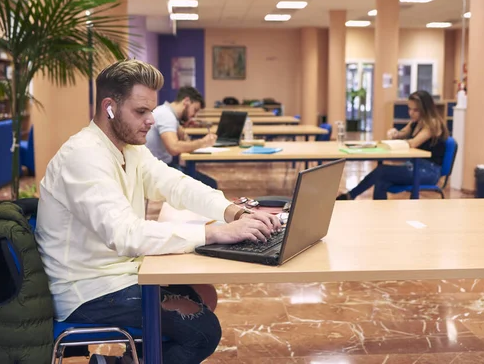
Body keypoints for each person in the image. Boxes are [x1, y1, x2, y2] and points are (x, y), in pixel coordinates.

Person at [35, 59, 281, 364]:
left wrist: (231, 212)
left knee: (204, 294)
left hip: (119, 274)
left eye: (151, 110)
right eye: (141, 111)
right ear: (109, 107)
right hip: (87, 290)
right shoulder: (83, 157)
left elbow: (175, 184)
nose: (151, 120)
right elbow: (125, 234)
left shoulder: (129, 149)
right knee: (203, 332)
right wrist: (214, 232)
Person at [337, 90, 448, 200]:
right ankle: (379, 212)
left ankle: (350, 195)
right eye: (410, 109)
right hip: (414, 166)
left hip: (428, 172)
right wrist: (395, 133)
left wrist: (398, 140)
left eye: (416, 110)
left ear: (426, 110)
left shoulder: (433, 123)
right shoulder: (416, 122)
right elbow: (402, 134)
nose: (411, 113)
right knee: (381, 180)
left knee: (382, 171)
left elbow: (413, 143)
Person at [145, 86, 218, 187]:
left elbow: (184, 137)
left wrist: (182, 126)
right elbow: (174, 148)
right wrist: (203, 142)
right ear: (186, 101)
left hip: (160, 165)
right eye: (195, 110)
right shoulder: (166, 116)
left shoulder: (166, 111)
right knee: (211, 184)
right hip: (157, 171)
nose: (194, 115)